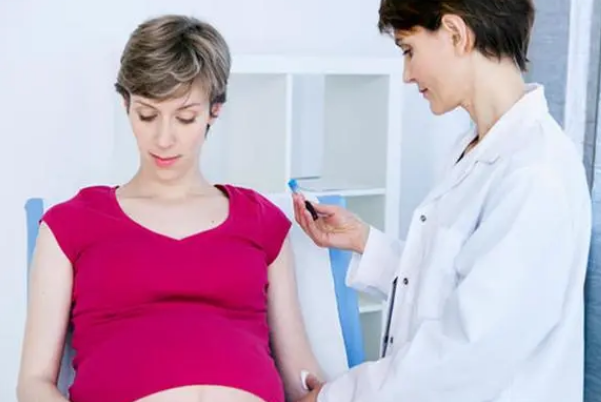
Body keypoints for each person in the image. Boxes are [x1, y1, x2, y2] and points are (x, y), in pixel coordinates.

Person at [292, 0, 592, 401]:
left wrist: (336, 397)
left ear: (455, 34)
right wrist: (366, 242)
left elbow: (467, 352)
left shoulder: (535, 173)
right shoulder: (476, 148)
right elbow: (447, 288)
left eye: (409, 50)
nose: (406, 74)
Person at [16, 14, 322, 402]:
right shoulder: (70, 224)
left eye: (185, 117)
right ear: (126, 104)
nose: (163, 139)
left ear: (214, 110)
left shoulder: (262, 221)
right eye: (147, 115)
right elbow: (33, 383)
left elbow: (302, 379)